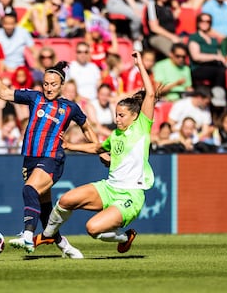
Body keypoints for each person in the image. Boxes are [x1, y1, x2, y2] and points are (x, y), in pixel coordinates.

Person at [34, 50, 156, 255]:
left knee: (93, 229)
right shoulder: (116, 135)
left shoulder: (142, 127)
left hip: (131, 195)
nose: (117, 119)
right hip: (109, 188)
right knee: (65, 200)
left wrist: (140, 65)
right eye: (116, 115)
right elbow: (98, 148)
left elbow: (150, 94)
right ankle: (48, 235)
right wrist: (72, 147)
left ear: (135, 116)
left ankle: (126, 237)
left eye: (122, 115)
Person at [0, 53, 99, 258]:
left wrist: (97, 148)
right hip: (30, 159)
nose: (48, 88)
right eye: (46, 83)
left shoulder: (69, 107)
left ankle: (28, 235)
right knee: (44, 209)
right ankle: (65, 246)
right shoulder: (34, 97)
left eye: (53, 84)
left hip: (52, 158)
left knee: (29, 190)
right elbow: (3, 93)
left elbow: (87, 127)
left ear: (61, 84)